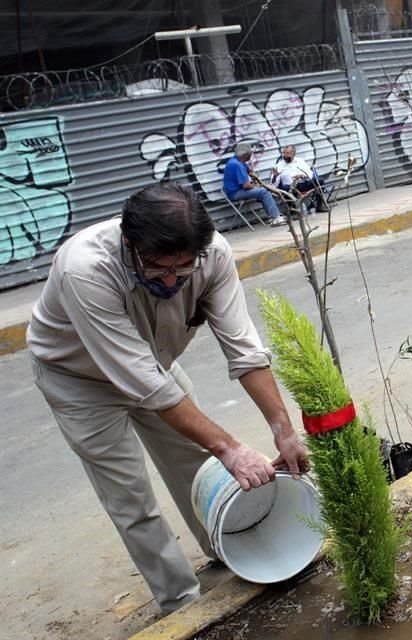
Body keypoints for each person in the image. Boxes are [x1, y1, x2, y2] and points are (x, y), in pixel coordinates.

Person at [27, 183, 309, 615]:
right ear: (130, 244)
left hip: (153, 364)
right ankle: (181, 600)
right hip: (80, 380)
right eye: (159, 269)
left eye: (184, 268)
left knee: (195, 467)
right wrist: (232, 448)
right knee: (130, 498)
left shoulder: (212, 254)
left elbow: (245, 350)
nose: (174, 280)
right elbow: (148, 386)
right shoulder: (84, 268)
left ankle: (225, 547)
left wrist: (283, 431)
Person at [223, 143, 286, 227]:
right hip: (235, 193)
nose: (251, 156)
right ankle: (276, 217)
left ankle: (273, 216)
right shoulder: (237, 165)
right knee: (264, 192)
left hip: (235, 190)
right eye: (250, 154)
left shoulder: (237, 161)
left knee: (263, 192)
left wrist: (254, 175)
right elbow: (246, 185)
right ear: (245, 155)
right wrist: (256, 186)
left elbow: (250, 172)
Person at [271, 145, 331, 212]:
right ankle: (292, 210)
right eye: (284, 153)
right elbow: (274, 185)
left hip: (303, 183)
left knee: (320, 181)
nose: (285, 155)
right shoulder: (279, 166)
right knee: (285, 188)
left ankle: (319, 206)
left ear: (293, 154)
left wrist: (302, 175)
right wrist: (275, 176)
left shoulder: (300, 161)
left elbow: (310, 174)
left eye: (287, 153)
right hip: (291, 187)